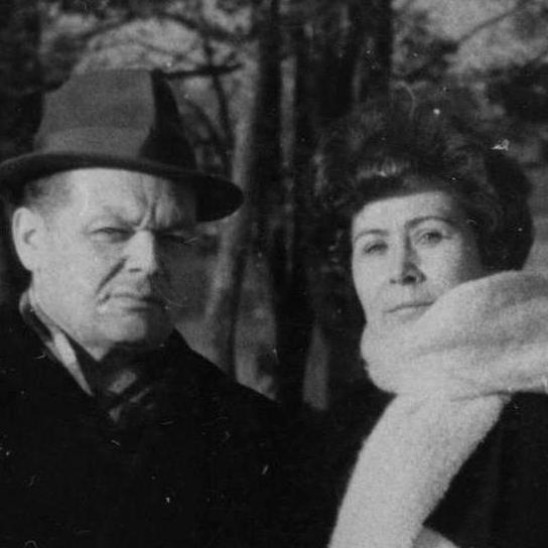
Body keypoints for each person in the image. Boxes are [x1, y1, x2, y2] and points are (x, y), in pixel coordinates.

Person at [0, 68, 290, 548]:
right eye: (112, 232)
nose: (150, 261)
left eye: (173, 238)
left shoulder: (254, 436)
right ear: (30, 239)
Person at [312, 96, 548, 548]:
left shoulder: (536, 419)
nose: (400, 270)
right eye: (374, 246)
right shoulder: (340, 431)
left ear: (491, 249)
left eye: (430, 235)